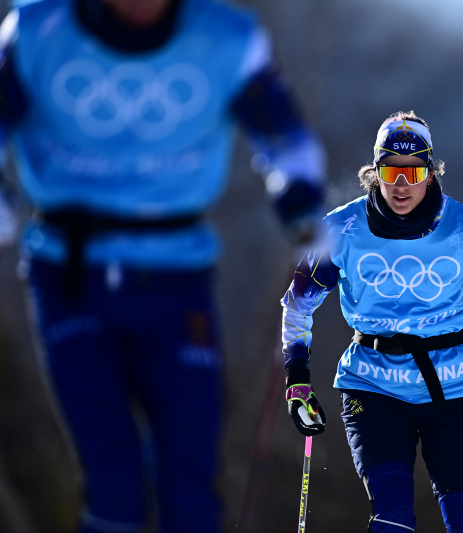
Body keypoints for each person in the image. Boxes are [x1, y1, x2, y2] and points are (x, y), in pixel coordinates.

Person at [0, 0, 326, 530]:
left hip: (177, 276)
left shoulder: (227, 39)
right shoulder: (38, 30)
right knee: (114, 482)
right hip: (69, 273)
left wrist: (302, 207)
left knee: (190, 481)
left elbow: (282, 132)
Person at [279, 110, 463, 532]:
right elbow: (298, 303)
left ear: (431, 172)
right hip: (373, 386)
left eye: (414, 172)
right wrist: (297, 378)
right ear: (375, 173)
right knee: (392, 518)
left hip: (455, 387)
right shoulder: (341, 231)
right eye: (392, 171)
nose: (402, 185)